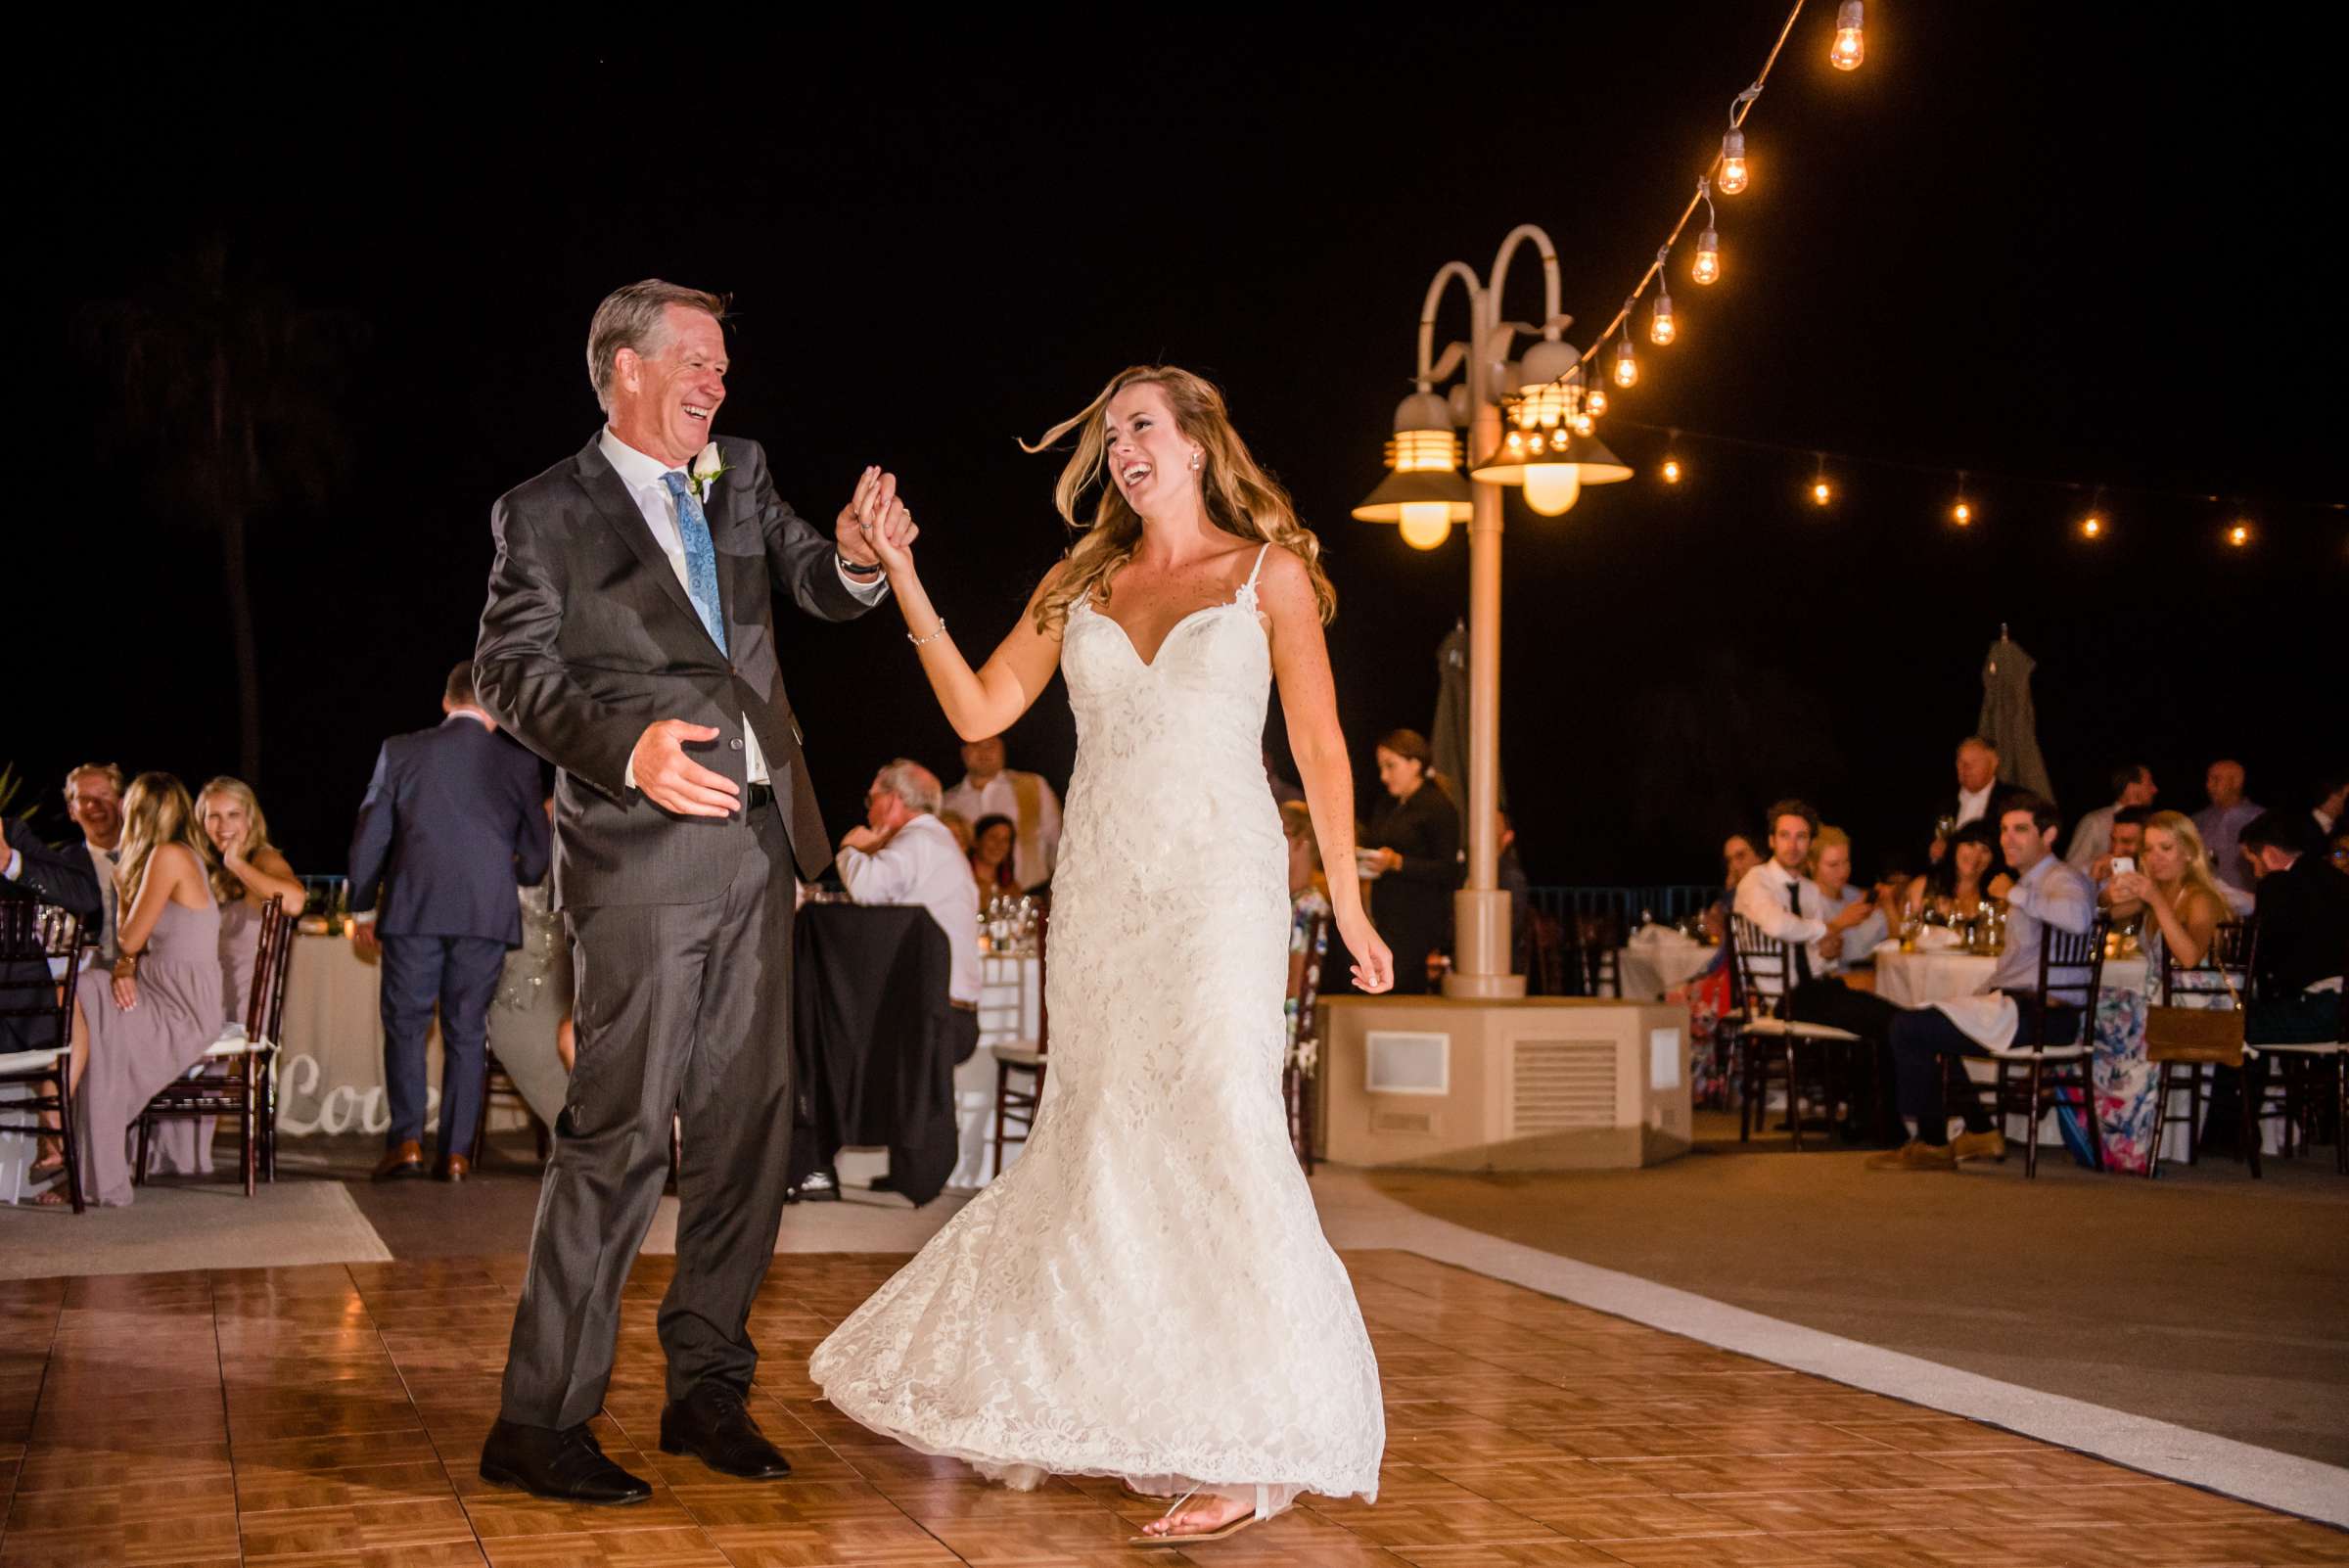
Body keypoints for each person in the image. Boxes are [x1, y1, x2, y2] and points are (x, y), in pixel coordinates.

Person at [809, 364, 1393, 1546]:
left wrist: (1348, 896)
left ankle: (1256, 1441)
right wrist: (908, 577)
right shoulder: (1080, 582)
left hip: (1221, 891)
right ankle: (1123, 1404)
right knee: (1107, 1142)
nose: (1121, 445)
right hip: (1104, 897)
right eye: (1109, 431)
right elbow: (979, 713)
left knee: (1224, 1122)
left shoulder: (1266, 576)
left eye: (1141, 427)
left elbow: (1322, 749)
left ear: (1194, 444)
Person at [472, 280, 894, 1505]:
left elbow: (816, 579)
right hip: (642, 864)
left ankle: (707, 1394)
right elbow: (509, 673)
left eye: (722, 365)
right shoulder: (543, 512)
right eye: (696, 362)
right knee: (613, 1142)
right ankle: (539, 1421)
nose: (719, 383)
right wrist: (623, 748)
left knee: (747, 1139)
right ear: (626, 369)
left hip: (763, 852)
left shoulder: (742, 473)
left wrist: (860, 561)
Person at [348, 661, 553, 1185]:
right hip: (486, 915)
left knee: (407, 1026)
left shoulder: (402, 751)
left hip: (414, 911)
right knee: (466, 1032)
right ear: (495, 709)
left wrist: (363, 906)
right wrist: (517, 873)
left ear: (446, 702)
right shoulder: (518, 765)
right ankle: (457, 1154)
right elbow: (536, 853)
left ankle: (408, 1143)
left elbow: (371, 837)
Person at [1874, 796, 2096, 1172]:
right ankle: (1980, 1131)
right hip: (2020, 1005)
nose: (2008, 839)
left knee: (1909, 1028)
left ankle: (1931, 1142)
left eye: (2020, 830)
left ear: (2050, 834)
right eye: (2005, 830)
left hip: (2047, 1015)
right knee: (1931, 1021)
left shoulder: (2063, 878)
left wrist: (2014, 894)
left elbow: (2077, 918)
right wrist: (1980, 994)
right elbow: (2017, 964)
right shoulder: (2031, 882)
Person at [39, 773, 222, 1207]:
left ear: (137, 812)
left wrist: (120, 889)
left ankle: (55, 1126)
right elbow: (131, 949)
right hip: (162, 989)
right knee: (85, 995)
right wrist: (123, 967)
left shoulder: (168, 855)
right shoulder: (177, 854)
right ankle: (68, 1143)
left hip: (182, 1005)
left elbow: (129, 938)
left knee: (79, 990)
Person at [1733, 803, 1907, 1139]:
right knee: (1885, 1019)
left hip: (1814, 989)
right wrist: (1833, 926)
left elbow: (1816, 953)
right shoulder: (1758, 881)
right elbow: (1778, 924)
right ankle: (1879, 1124)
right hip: (1781, 997)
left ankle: (1874, 1121)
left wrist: (1828, 950)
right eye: (1784, 836)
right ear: (1771, 840)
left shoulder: (1810, 891)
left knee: (1892, 1019)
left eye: (1800, 837)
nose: (1792, 845)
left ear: (1809, 843)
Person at [164, 777, 305, 1180]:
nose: (223, 826)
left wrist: (236, 864)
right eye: (213, 817)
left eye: (233, 815)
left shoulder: (262, 860)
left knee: (155, 1032)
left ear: (250, 818)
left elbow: (294, 901)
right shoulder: (197, 865)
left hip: (240, 1008)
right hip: (202, 995)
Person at [837, 760, 983, 1067]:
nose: (867, 810)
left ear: (891, 802)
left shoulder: (918, 840)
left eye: (871, 799)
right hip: (948, 1013)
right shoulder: (936, 840)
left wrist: (849, 850)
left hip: (932, 1016)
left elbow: (866, 888)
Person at [1, 816, 106, 1187]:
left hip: (20, 1014)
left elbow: (84, 895)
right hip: (21, 1016)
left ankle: (52, 1131)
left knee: (68, 999)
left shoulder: (12, 834)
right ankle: (54, 1135)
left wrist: (10, 861)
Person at [485, 797, 576, 1134]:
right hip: (521, 997)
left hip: (575, 989)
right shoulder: (504, 861)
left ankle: (604, 1139)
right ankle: (581, 1138)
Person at [1361, 728, 1461, 995]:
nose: (1384, 776)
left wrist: (1399, 863)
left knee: (1397, 988)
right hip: (1386, 914)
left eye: (1391, 766)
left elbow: (1450, 870)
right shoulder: (1387, 804)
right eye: (1381, 767)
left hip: (1418, 918)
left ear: (1415, 764)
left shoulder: (1438, 807)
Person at [941, 734, 1062, 891]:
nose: (984, 752)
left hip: (1030, 898)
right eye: (976, 745)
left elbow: (1059, 844)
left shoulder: (1032, 787)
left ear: (1003, 748)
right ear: (963, 752)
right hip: (969, 902)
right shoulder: (947, 803)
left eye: (991, 745)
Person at [1281, 800, 1333, 1059]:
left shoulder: (1308, 906)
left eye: (1283, 837)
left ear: (1303, 844)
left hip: (1289, 1033)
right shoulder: (1294, 902)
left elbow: (1294, 983)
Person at [62, 763, 125, 962]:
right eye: (83, 798)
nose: (93, 805)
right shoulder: (63, 866)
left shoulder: (152, 857)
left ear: (122, 803)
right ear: (72, 811)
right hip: (87, 971)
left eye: (103, 794)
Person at [1927, 737, 2025, 864]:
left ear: (1993, 763)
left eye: (1973, 762)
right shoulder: (1944, 802)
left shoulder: (2015, 801)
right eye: (1961, 762)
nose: (1965, 768)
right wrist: (1934, 851)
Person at [1808, 825, 1891, 973]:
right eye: (1833, 865)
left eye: (1846, 862)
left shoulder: (1854, 895)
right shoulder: (1807, 901)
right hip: (1835, 984)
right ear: (1812, 865)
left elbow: (1896, 941)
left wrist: (1888, 905)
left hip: (1870, 974)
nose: (1843, 871)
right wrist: (1841, 923)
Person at [1901, 818, 2003, 924]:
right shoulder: (1924, 887)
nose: (1976, 855)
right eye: (1970, 844)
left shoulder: (1995, 900)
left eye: (1985, 850)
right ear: (1956, 847)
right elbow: (1906, 933)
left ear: (1992, 859)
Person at [2065, 762, 2157, 871]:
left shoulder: (2153, 822)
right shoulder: (2096, 822)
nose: (2155, 789)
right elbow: (2071, 868)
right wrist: (2105, 867)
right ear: (2131, 787)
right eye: (2149, 783)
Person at [2194, 759, 2262, 899]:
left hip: (2249, 904)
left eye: (2216, 780)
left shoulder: (2259, 819)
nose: (2209, 786)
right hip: (2207, 903)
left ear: (2237, 782)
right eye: (2208, 780)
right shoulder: (2198, 821)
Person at [967, 812, 1020, 901]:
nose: (999, 845)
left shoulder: (1012, 888)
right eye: (993, 837)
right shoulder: (964, 882)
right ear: (976, 841)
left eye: (1005, 839)